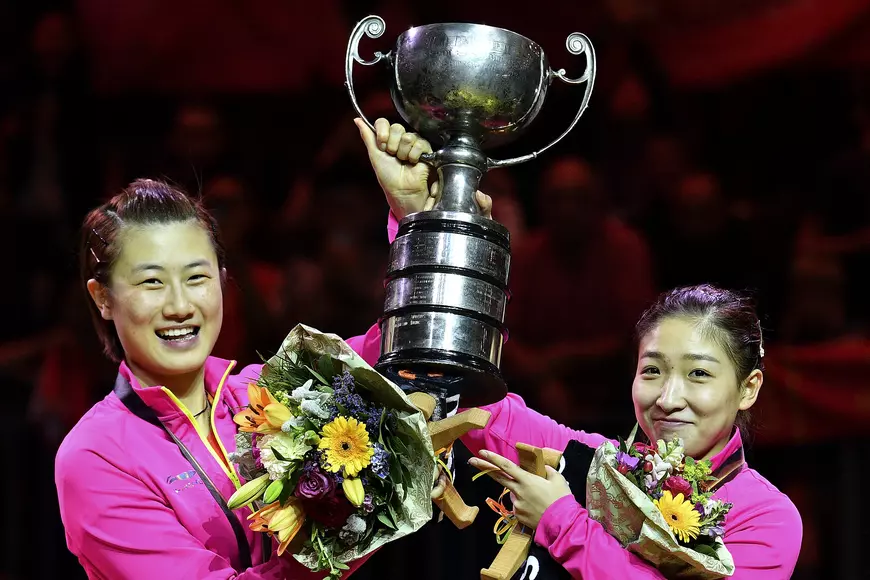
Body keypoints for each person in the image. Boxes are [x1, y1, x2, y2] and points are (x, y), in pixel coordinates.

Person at [54, 117, 490, 578]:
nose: (180, 305)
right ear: (103, 298)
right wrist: (354, 535)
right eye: (152, 283)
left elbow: (403, 358)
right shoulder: (97, 456)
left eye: (197, 277)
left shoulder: (272, 391)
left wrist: (423, 225)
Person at [360, 124, 802, 578]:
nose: (668, 398)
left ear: (748, 388)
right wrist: (426, 226)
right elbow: (448, 386)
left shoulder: (766, 518)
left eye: (699, 375)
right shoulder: (589, 465)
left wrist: (561, 521)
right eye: (652, 371)